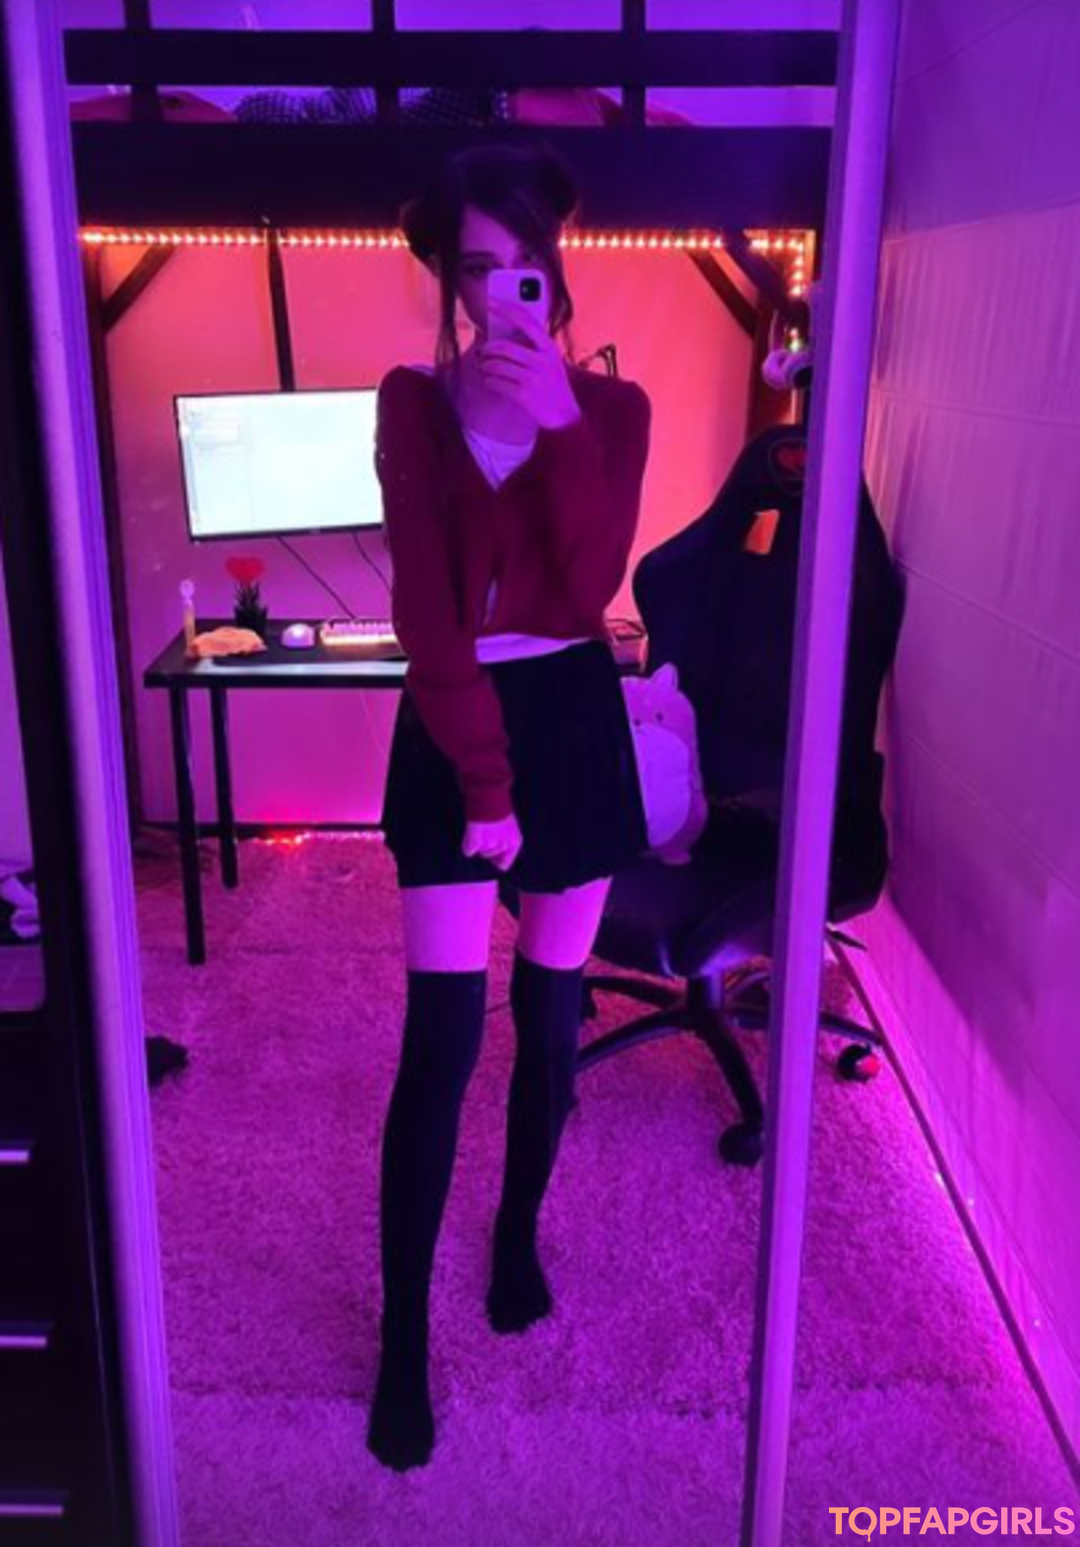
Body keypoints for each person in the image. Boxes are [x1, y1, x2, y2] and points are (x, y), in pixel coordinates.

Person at [367, 143, 652, 1473]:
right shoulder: (413, 404)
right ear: (449, 279)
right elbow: (427, 607)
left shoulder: (619, 411)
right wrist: (483, 782)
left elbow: (588, 584)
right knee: (440, 1037)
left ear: (556, 267)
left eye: (519, 264)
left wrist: (556, 430)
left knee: (547, 1018)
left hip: (574, 719)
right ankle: (402, 1338)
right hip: (453, 717)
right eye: (473, 268)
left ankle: (517, 1232)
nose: (497, 293)